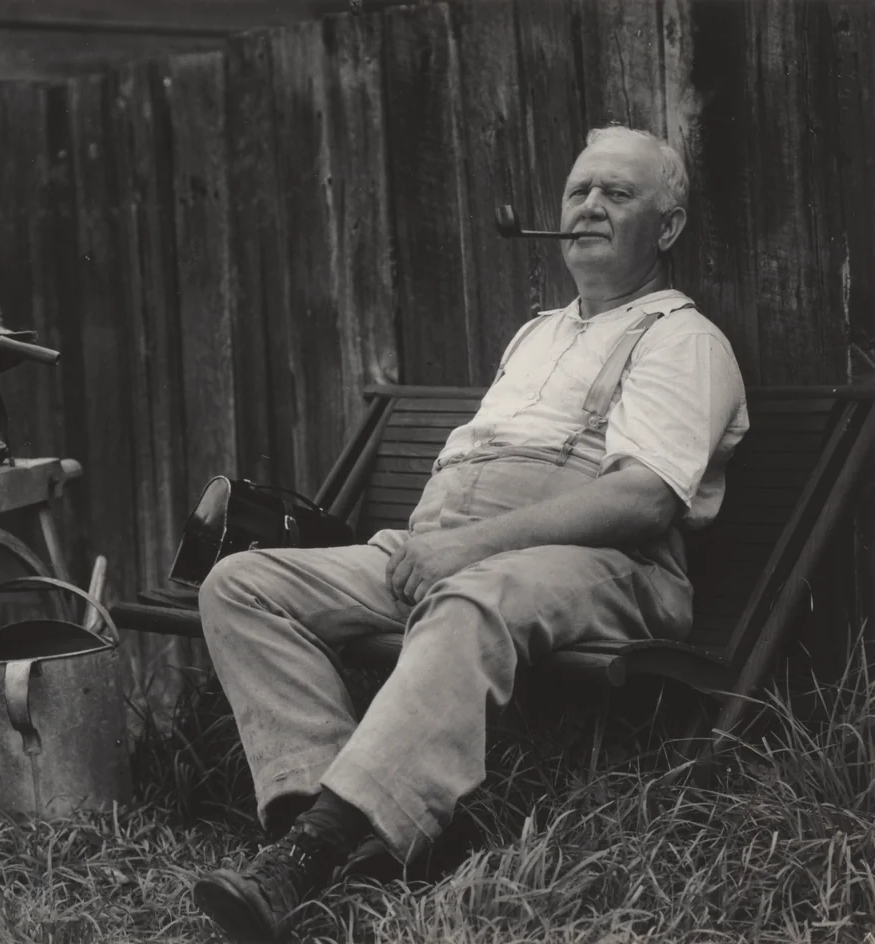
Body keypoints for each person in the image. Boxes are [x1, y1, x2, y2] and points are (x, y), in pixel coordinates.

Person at [191, 126, 749, 942]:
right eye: (578, 191)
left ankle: (310, 855)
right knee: (240, 584)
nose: (590, 206)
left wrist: (465, 547)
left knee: (467, 597)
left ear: (666, 229)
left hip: (605, 569)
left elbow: (641, 504)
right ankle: (339, 818)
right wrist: (441, 540)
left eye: (617, 195)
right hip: (450, 553)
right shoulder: (538, 335)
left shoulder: (681, 339)